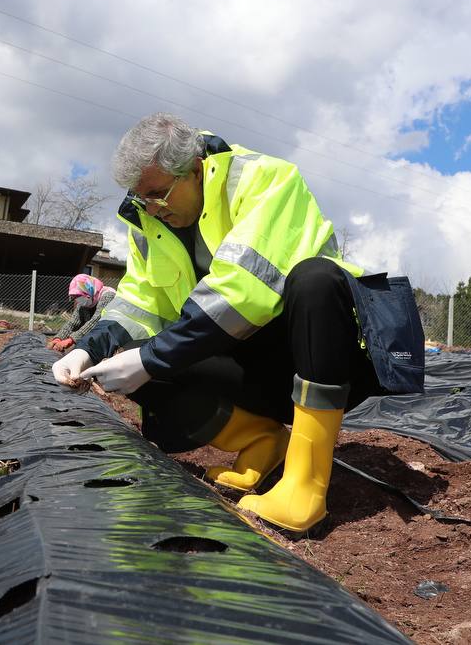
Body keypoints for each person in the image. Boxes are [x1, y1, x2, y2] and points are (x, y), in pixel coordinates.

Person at [52, 113, 424, 532]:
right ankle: (260, 441)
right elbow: (142, 300)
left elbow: (241, 292)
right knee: (133, 361)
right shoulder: (148, 222)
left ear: (194, 169)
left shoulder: (265, 180)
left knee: (316, 280)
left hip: (320, 359)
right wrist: (91, 347)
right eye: (141, 198)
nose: (151, 207)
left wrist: (151, 358)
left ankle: (305, 483)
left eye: (158, 194)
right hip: (244, 363)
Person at [49, 274, 117, 353]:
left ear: (87, 290)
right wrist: (58, 338)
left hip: (113, 337)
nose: (77, 299)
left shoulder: (108, 296)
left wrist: (71, 340)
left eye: (78, 296)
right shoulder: (85, 302)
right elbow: (72, 322)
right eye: (74, 297)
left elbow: (95, 322)